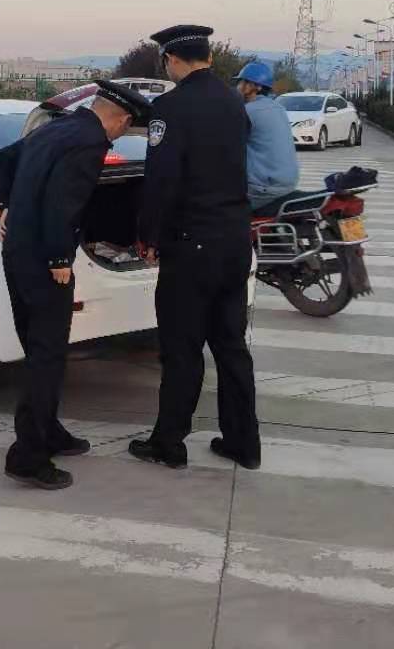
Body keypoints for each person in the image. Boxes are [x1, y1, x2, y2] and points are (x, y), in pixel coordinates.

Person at [0, 79, 152, 490]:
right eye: (124, 129)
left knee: (37, 350)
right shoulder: (89, 142)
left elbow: (1, 159)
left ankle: (49, 431)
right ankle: (28, 457)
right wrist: (60, 258)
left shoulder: (56, 127)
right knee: (47, 357)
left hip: (17, 254)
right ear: (122, 119)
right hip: (44, 261)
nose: (118, 138)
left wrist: (4, 204)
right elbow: (64, 203)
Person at [128, 25, 261, 471]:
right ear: (209, 56)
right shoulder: (234, 102)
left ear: (171, 60)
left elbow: (161, 181)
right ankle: (243, 443)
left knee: (181, 348)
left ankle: (168, 443)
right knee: (231, 346)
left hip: (191, 247)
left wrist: (149, 236)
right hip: (234, 241)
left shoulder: (170, 108)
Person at [233, 60, 300, 211]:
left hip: (263, 189)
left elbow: (224, 144)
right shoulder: (278, 108)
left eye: (241, 82)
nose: (238, 87)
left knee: (215, 203)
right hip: (288, 185)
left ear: (255, 87)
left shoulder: (247, 112)